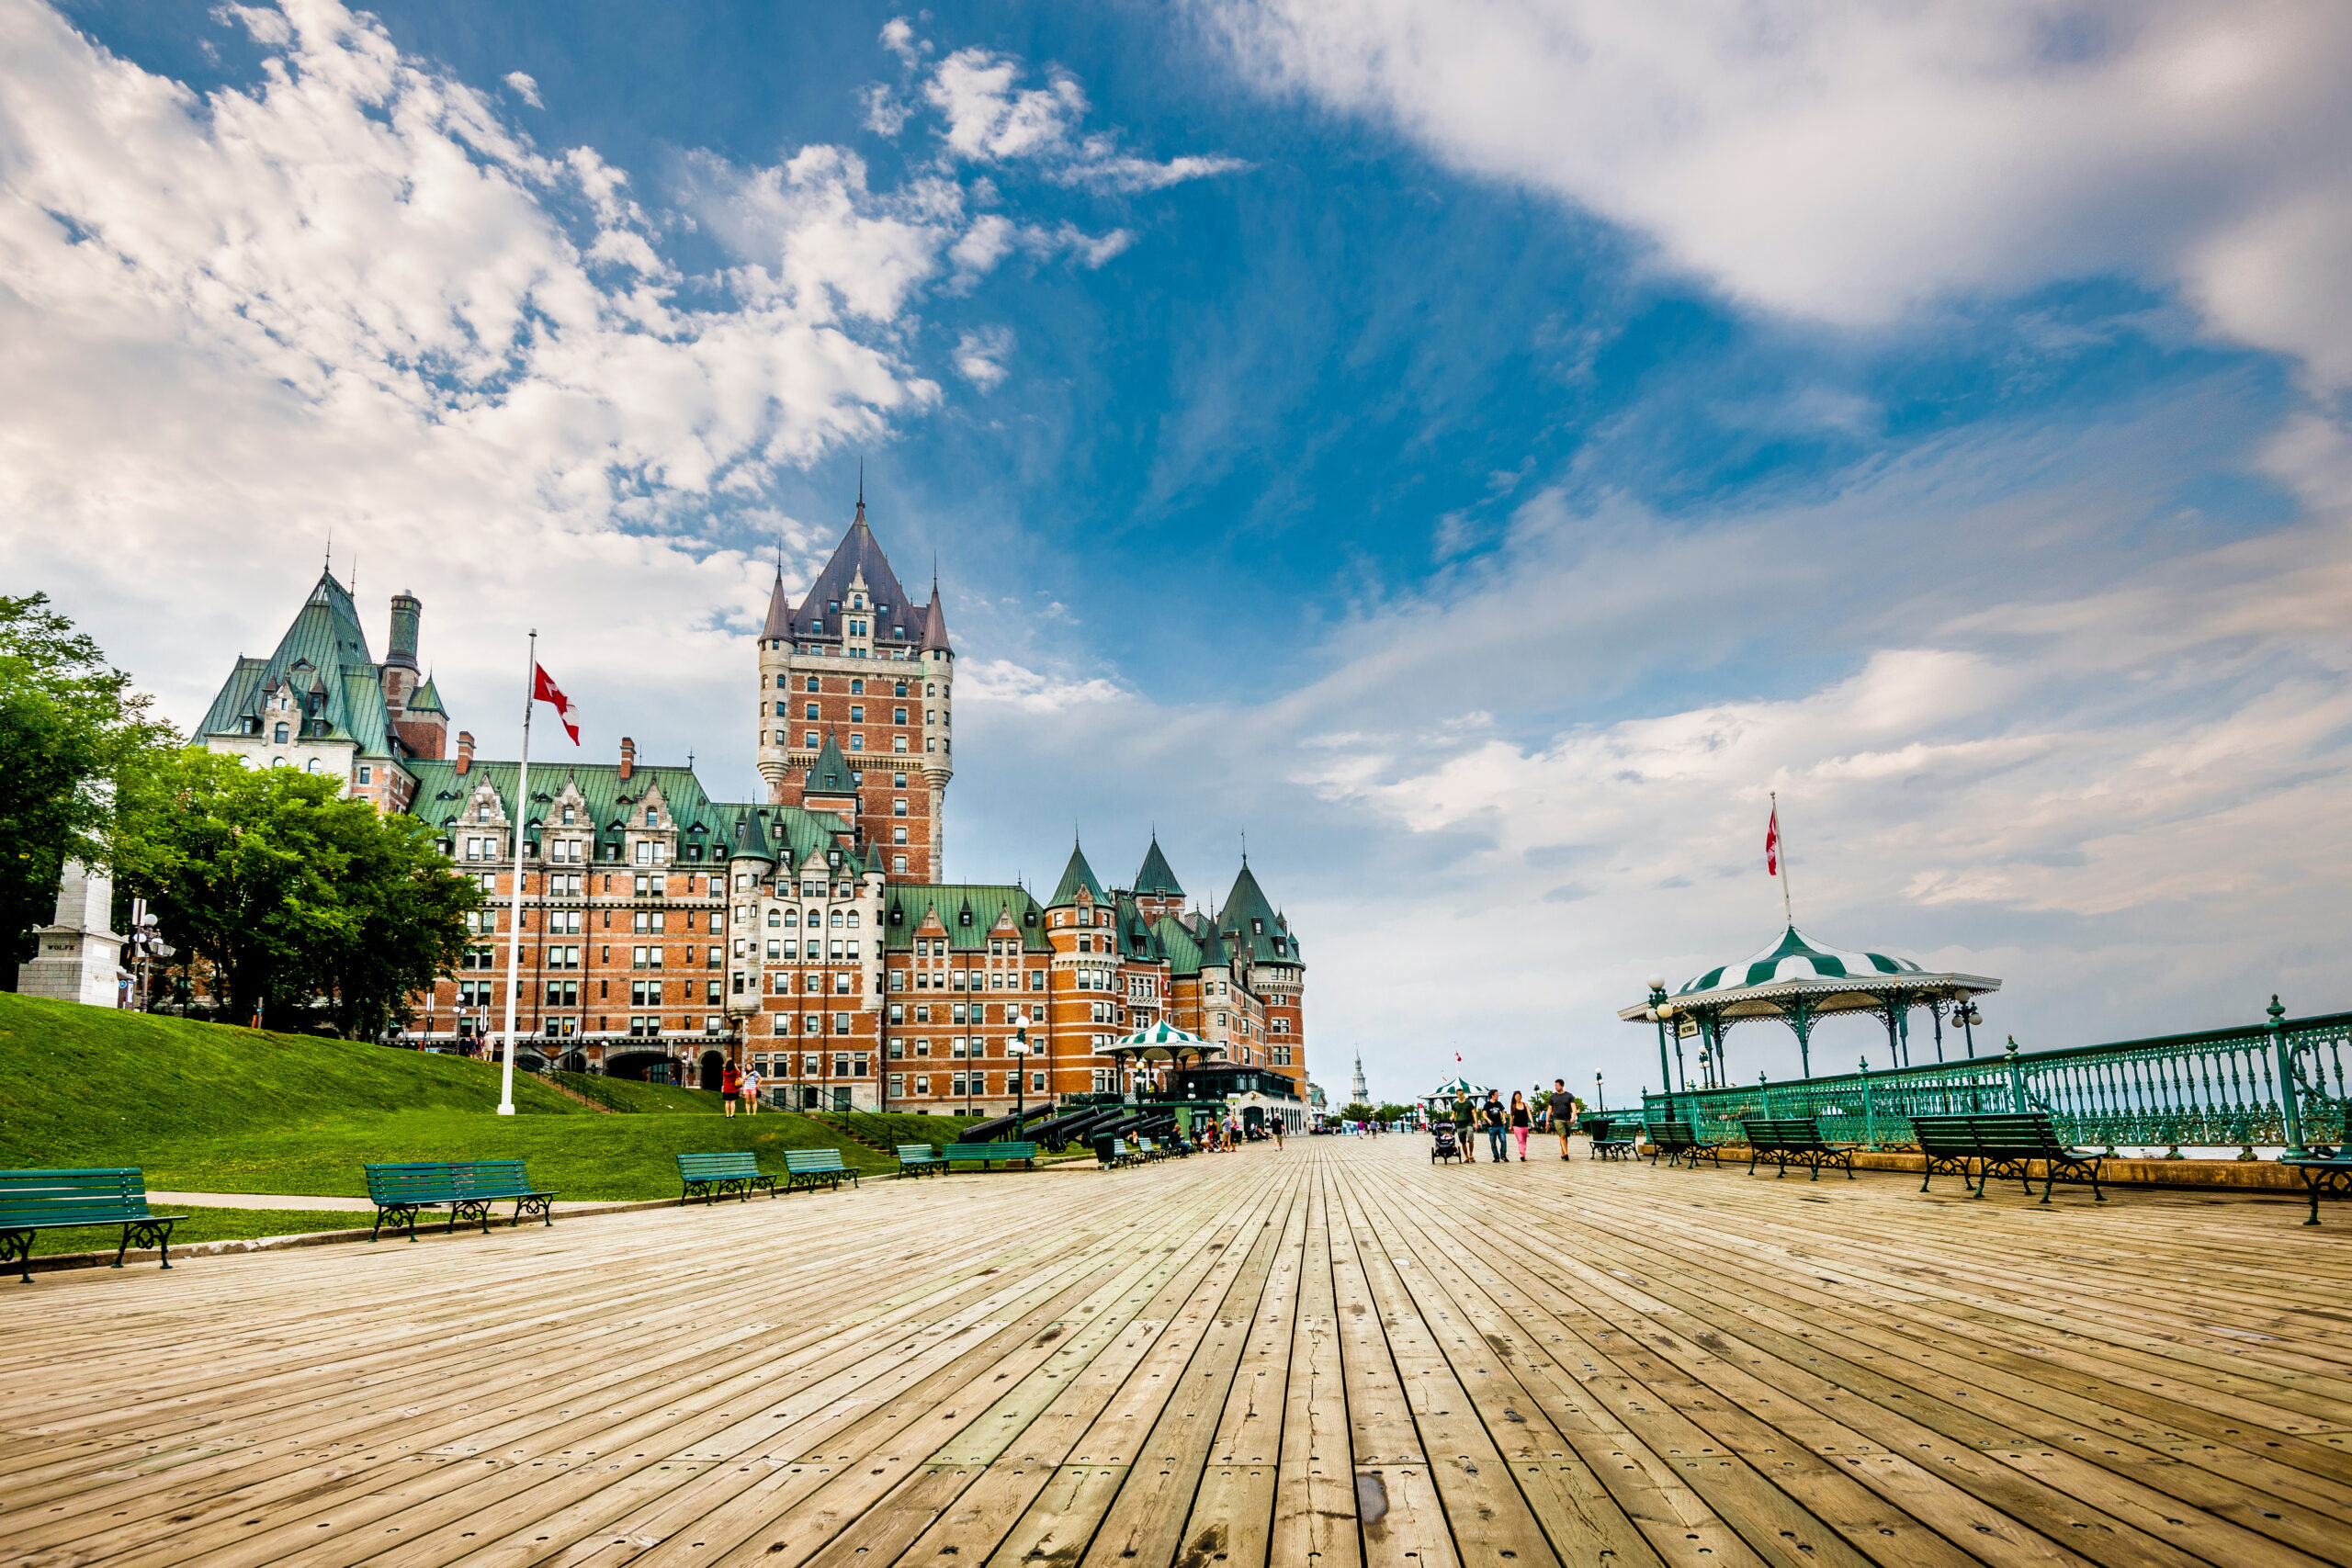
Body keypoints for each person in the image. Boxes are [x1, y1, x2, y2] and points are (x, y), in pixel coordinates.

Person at [1549, 1077, 1577, 1160]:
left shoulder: (1569, 1096)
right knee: (1562, 1135)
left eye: (1557, 1086)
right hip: (1557, 1119)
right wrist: (1547, 1120)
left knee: (1565, 1137)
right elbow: (1550, 1109)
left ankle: (1563, 1153)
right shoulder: (1553, 1096)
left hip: (1567, 1119)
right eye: (1555, 1086)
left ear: (1562, 1086)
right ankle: (1566, 1153)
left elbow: (1573, 1107)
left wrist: (1573, 1117)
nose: (1555, 1087)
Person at [1482, 1090, 1509, 1164]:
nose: (1498, 1096)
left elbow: (1503, 1112)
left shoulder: (1499, 1104)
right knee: (1493, 1142)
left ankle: (1503, 1155)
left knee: (1503, 1140)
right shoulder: (1487, 1104)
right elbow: (1484, 1114)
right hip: (1491, 1126)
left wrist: (1504, 1118)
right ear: (1492, 1096)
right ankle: (1496, 1156)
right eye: (1496, 1094)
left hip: (1500, 1125)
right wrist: (1488, 1120)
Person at [1509, 1090, 1532, 1161]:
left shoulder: (1525, 1105)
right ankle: (1522, 1154)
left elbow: (1529, 1113)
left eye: (1519, 1096)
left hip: (1525, 1125)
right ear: (1514, 1097)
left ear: (1521, 1096)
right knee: (1520, 1140)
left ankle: (1524, 1154)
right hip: (1516, 1125)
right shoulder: (1513, 1105)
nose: (1518, 1098)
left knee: (1524, 1140)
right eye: (1516, 1096)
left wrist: (1532, 1121)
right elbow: (1511, 1116)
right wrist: (1510, 1126)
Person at [1453, 1092, 1476, 1162]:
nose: (1461, 1095)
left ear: (1464, 1094)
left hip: (1469, 1123)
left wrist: (1476, 1123)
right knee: (1463, 1142)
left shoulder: (1469, 1103)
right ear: (1457, 1095)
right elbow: (1453, 1114)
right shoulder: (1455, 1104)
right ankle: (1466, 1156)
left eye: (1462, 1094)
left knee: (1471, 1139)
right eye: (1459, 1094)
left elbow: (1474, 1112)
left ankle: (1471, 1154)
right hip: (1460, 1125)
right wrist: (1452, 1117)